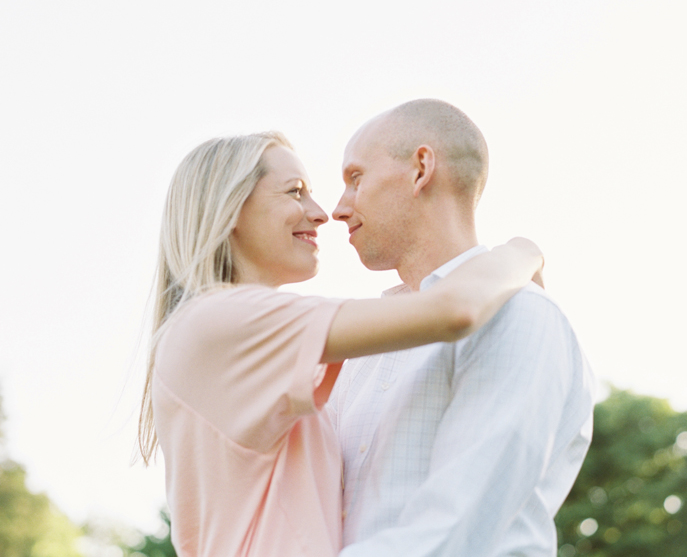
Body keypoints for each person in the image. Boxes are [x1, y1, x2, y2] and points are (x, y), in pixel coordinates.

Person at [137, 130, 545, 557]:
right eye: (295, 192)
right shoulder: (221, 323)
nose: (320, 213)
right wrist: (524, 252)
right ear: (229, 209)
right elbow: (454, 310)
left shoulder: (221, 330)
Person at [328, 99, 595, 557]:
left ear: (421, 169)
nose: (337, 208)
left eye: (356, 179)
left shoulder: (521, 315)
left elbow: (454, 534)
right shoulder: (360, 349)